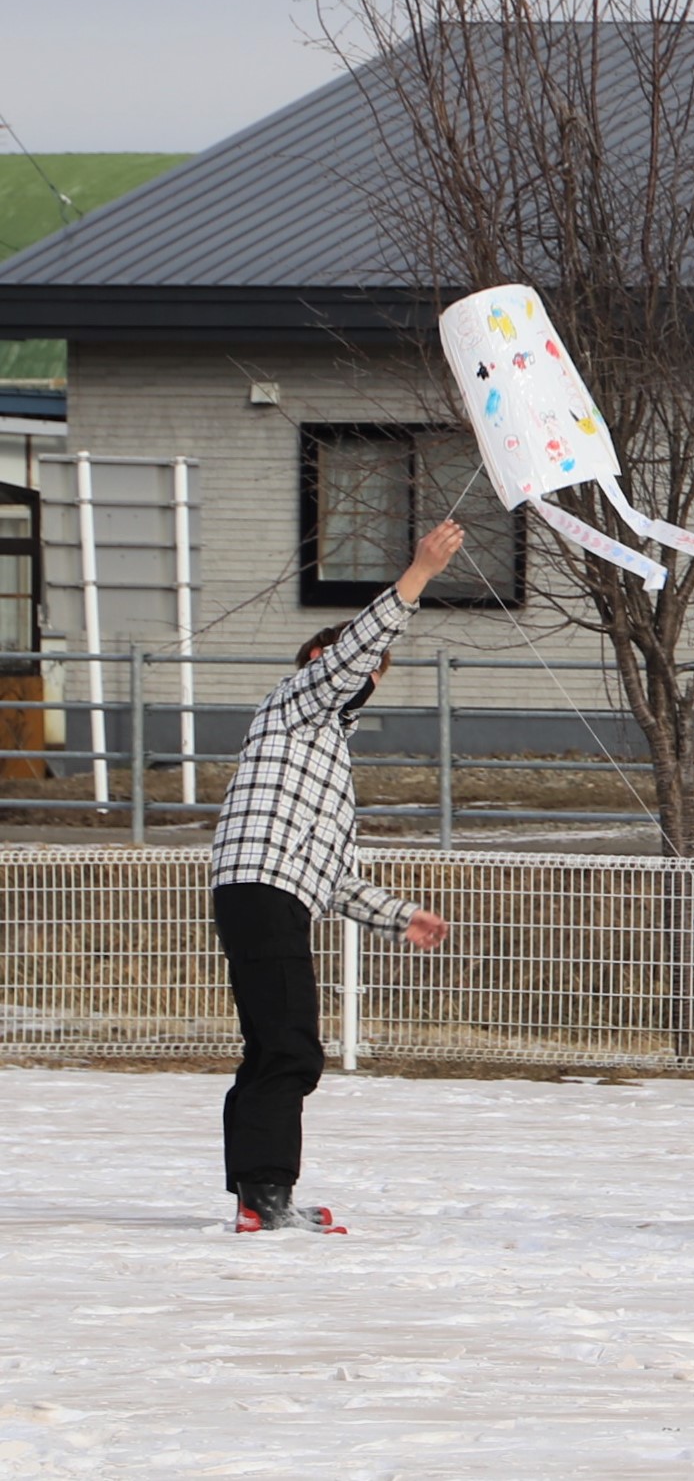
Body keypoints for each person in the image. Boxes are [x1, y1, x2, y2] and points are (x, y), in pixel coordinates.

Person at [209, 521, 465, 1232]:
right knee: (290, 1045)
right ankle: (264, 1194)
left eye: (375, 673)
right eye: (357, 665)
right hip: (260, 890)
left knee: (272, 1045)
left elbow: (334, 875)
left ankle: (259, 1195)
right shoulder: (292, 705)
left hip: (277, 893)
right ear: (318, 663)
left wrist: (397, 913)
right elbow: (350, 653)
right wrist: (418, 571)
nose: (365, 676)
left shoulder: (329, 756)